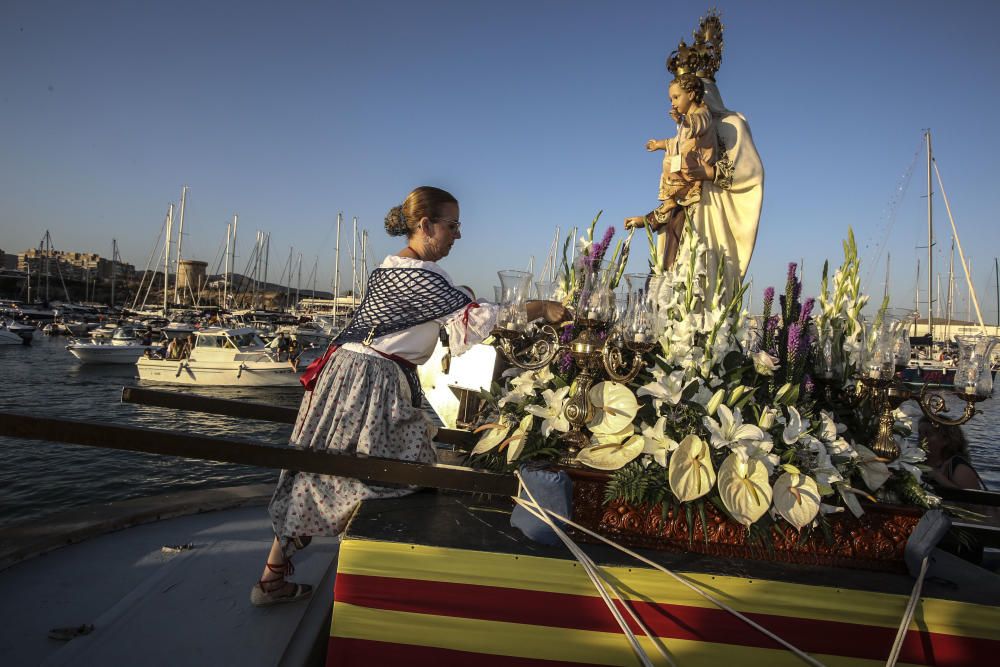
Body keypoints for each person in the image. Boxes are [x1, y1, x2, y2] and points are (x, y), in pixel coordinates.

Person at [251, 186, 567, 606]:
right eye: (451, 226)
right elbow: (477, 319)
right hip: (371, 383)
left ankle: (273, 578)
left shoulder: (390, 269)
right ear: (425, 226)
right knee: (401, 477)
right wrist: (541, 308)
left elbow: (449, 322)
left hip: (346, 375)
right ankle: (386, 586)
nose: (457, 235)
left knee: (317, 469)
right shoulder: (424, 276)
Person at [625, 14, 764, 301]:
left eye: (680, 97)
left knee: (703, 292)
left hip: (711, 224)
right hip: (682, 221)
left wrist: (709, 173)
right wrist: (648, 219)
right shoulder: (685, 135)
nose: (677, 106)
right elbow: (677, 194)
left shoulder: (731, 126)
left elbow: (750, 172)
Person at [632, 73, 718, 270]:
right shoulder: (685, 124)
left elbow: (697, 126)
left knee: (674, 162)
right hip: (686, 186)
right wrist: (659, 144)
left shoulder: (702, 115)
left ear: (692, 94)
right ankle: (668, 200)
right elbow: (676, 142)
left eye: (676, 97)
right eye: (671, 99)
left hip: (699, 174)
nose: (673, 103)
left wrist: (683, 121)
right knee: (670, 161)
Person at [919, 417, 985, 491]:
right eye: (919, 433)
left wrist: (938, 477)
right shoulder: (917, 461)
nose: (921, 437)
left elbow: (974, 498)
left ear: (945, 440)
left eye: (927, 434)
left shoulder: (959, 468)